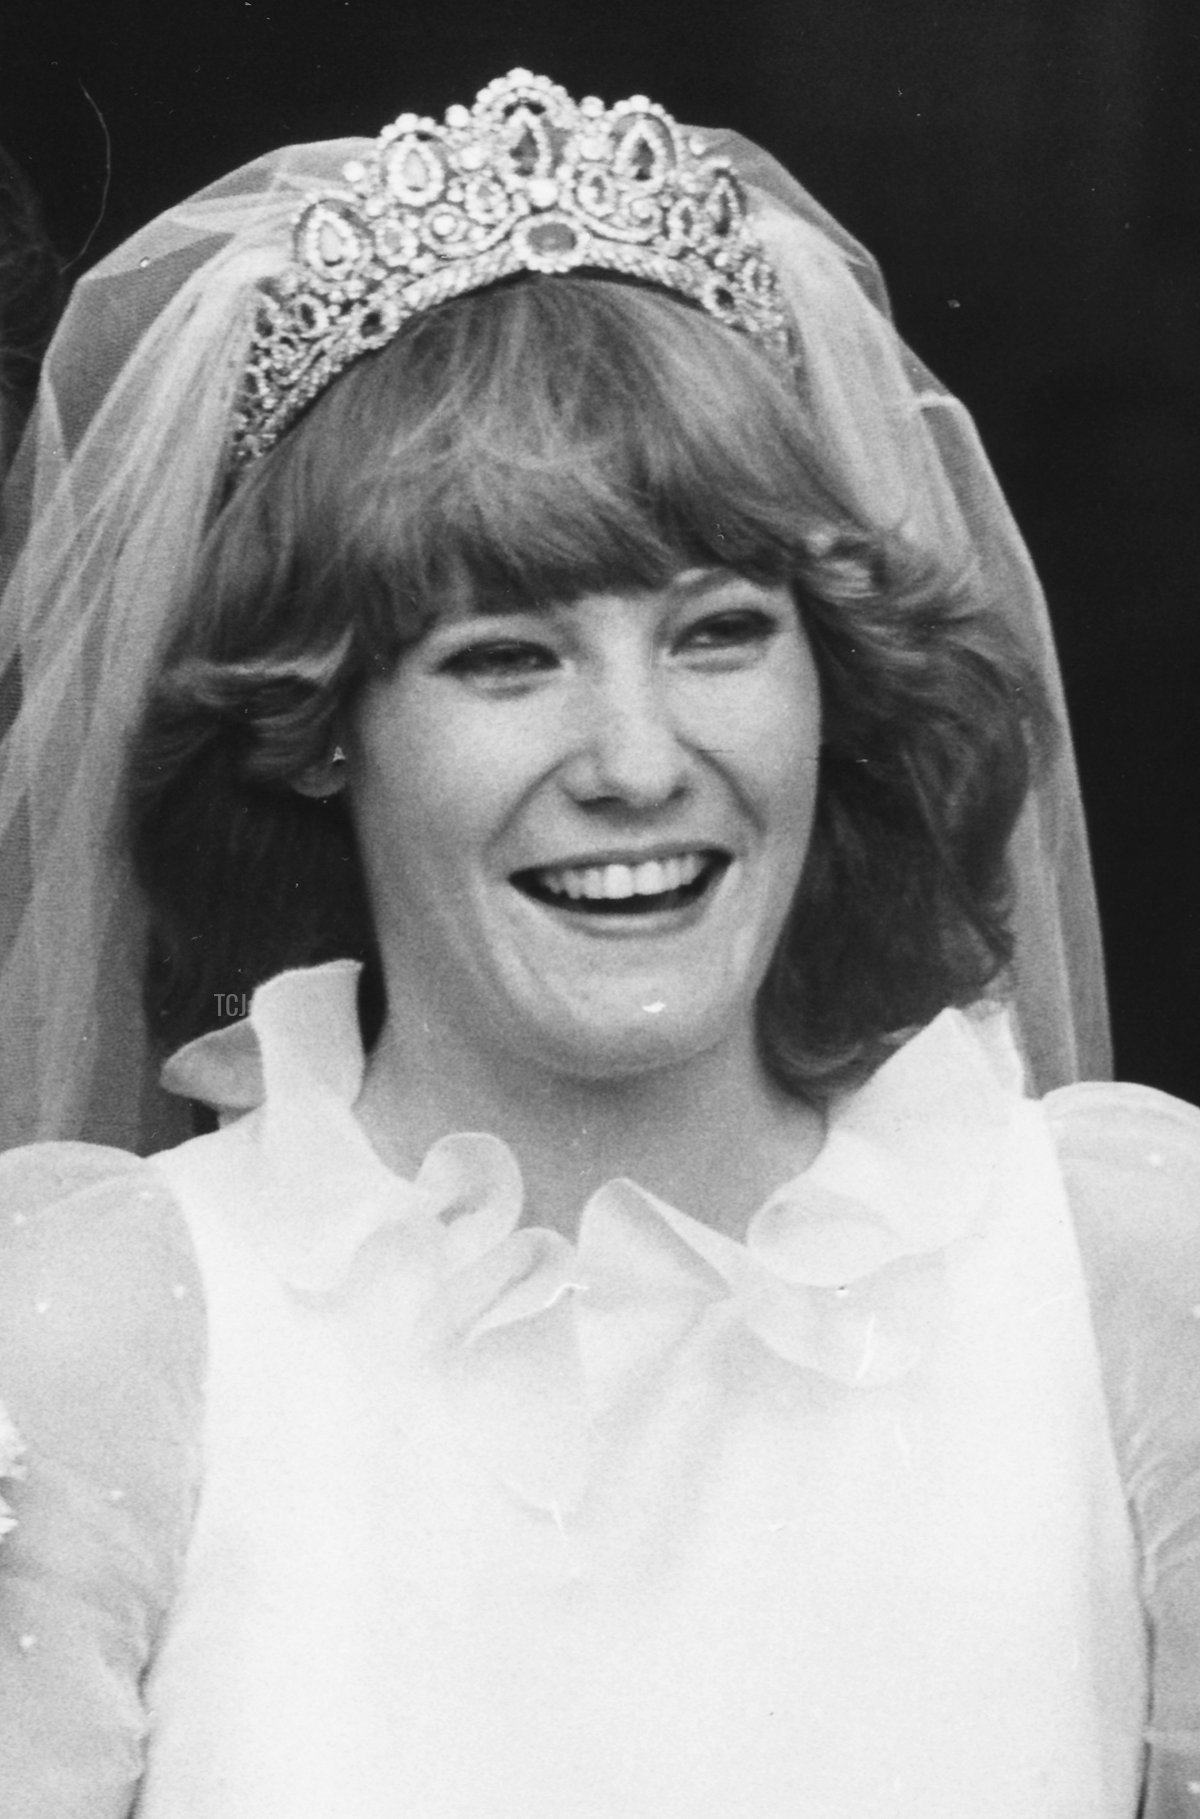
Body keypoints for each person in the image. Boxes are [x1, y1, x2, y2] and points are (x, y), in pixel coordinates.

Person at [0, 70, 1196, 1818]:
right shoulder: (106, 1343)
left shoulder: (1132, 1281)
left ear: (829, 678)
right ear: (321, 725)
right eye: (505, 657)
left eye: (719, 633)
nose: (640, 762)